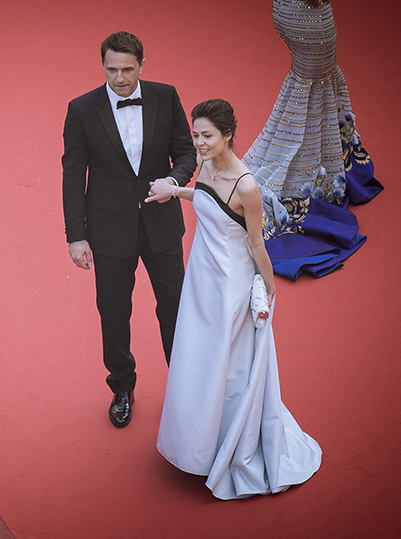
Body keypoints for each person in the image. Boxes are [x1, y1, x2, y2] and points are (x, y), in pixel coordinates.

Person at [150, 99, 322, 500]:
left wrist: (268, 290)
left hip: (230, 284)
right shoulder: (207, 165)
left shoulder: (248, 185)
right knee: (197, 354)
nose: (200, 143)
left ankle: (226, 448)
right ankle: (197, 442)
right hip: (202, 278)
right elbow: (208, 199)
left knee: (226, 365)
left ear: (228, 135)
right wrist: (176, 191)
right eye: (196, 135)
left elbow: (256, 245)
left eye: (207, 136)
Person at [61, 31, 196, 427]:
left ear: (142, 64)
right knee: (114, 313)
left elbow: (186, 151)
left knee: (175, 308)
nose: (119, 78)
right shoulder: (82, 108)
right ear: (102, 66)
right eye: (111, 69)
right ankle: (122, 386)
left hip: (161, 222)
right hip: (108, 230)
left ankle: (186, 385)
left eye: (127, 69)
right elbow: (73, 174)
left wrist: (174, 181)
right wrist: (76, 235)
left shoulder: (166, 96)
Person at [242, 0, 383, 279]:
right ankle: (310, 175)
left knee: (318, 79)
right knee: (314, 78)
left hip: (294, 8)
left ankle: (323, 166)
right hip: (308, 10)